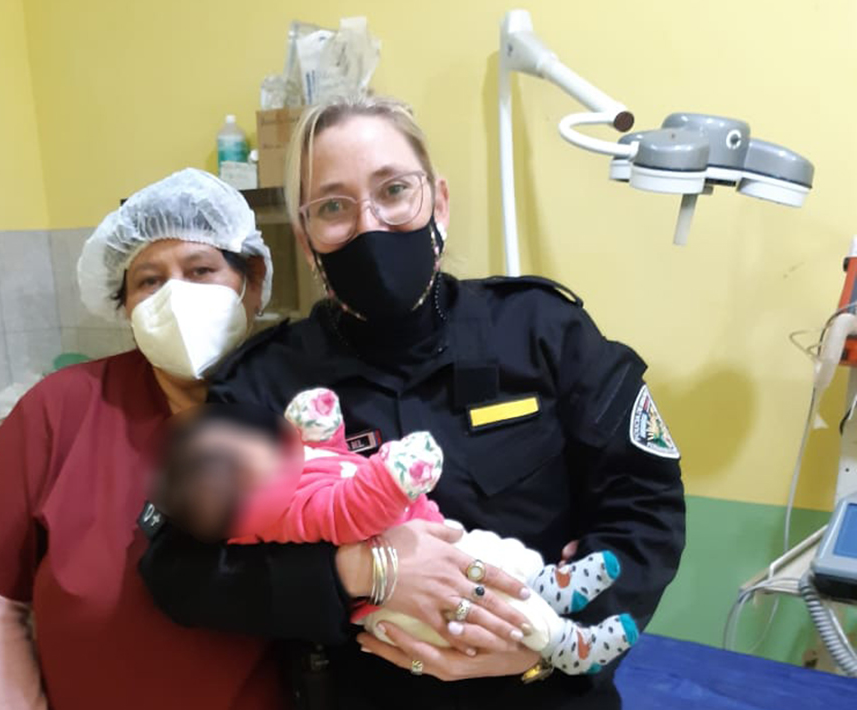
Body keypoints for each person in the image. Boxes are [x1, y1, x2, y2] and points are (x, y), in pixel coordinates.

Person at [139, 95, 686, 709]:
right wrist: (357, 571)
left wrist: (544, 652)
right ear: (306, 238)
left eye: (394, 190)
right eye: (334, 207)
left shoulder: (542, 331)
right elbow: (179, 573)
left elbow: (646, 506)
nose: (369, 224)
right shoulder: (266, 381)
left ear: (438, 202)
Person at [0, 168, 296, 710]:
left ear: (252, 282)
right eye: (149, 281)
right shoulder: (60, 410)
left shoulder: (300, 409)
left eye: (200, 270)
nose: (177, 297)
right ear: (125, 307)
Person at [154, 387, 639, 677]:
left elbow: (335, 460)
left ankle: (547, 583)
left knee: (497, 554)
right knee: (502, 613)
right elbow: (345, 509)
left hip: (441, 538)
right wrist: (393, 478)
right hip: (410, 616)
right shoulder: (279, 508)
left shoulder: (290, 467)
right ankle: (565, 645)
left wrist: (321, 432)